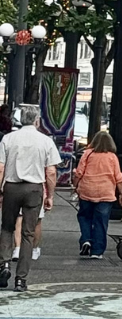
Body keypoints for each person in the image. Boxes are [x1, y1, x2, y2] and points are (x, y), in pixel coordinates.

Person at [0, 105, 61, 292]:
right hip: (34, 189)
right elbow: (51, 171)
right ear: (37, 121)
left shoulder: (8, 139)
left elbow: (0, 167)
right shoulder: (45, 141)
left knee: (7, 228)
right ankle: (21, 279)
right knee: (28, 233)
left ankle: (4, 265)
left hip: (11, 187)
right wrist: (50, 195)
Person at [74, 131, 122, 259]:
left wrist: (75, 185)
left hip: (87, 190)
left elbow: (79, 172)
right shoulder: (112, 157)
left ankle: (86, 239)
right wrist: (121, 193)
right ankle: (97, 251)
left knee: (84, 216)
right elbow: (118, 177)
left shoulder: (88, 153)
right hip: (105, 192)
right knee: (101, 221)